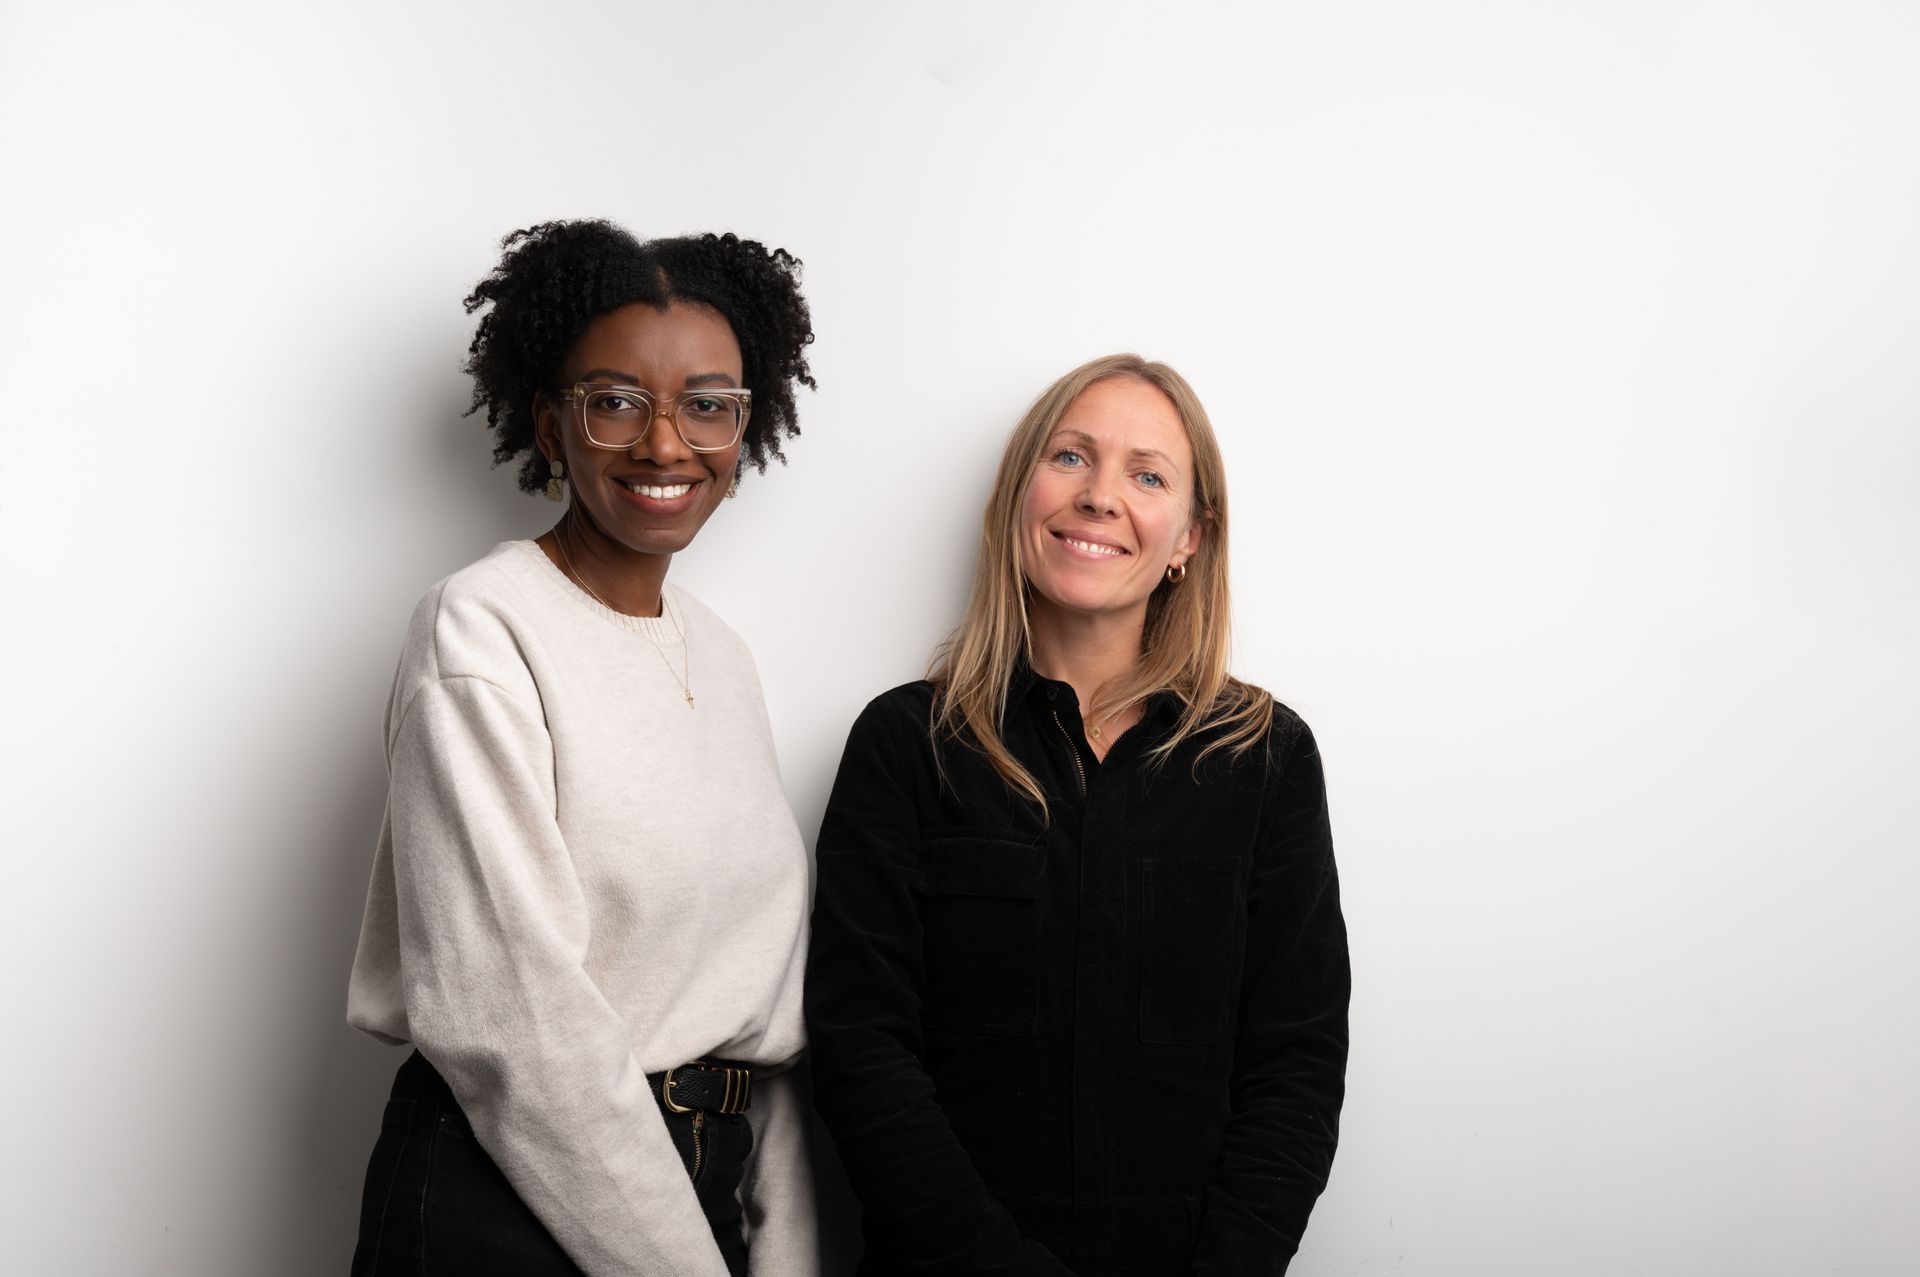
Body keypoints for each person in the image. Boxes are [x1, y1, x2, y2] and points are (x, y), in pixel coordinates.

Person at [346, 220, 819, 1277]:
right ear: (550, 425)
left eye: (708, 404)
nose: (665, 442)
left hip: (700, 1189)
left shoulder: (725, 658)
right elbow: (514, 1023)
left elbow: (754, 1006)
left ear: (747, 430)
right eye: (615, 401)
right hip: (506, 1199)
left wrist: (780, 1247)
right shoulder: (480, 628)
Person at [807, 354, 1349, 1275]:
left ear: (1188, 538)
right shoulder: (906, 743)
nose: (1101, 497)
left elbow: (1294, 1066)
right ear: (1020, 495)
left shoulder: (1267, 757)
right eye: (1070, 457)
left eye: (1147, 475)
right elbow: (863, 1053)